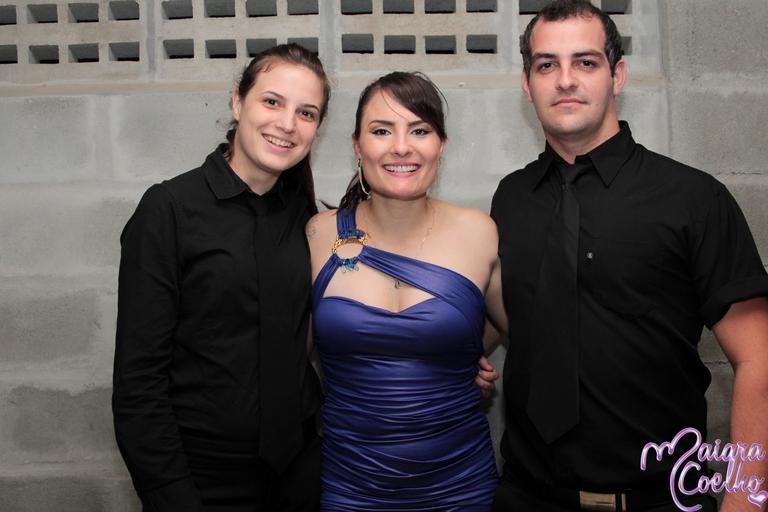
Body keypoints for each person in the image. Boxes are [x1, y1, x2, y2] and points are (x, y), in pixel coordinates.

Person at [490, 1, 768, 511]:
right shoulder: (511, 198)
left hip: (660, 500)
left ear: (616, 75)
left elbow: (759, 359)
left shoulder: (693, 198)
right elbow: (520, 312)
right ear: (527, 84)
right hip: (527, 496)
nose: (565, 79)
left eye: (586, 62)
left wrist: (746, 502)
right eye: (546, 64)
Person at [113, 44, 332, 512]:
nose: (287, 123)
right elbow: (138, 380)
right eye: (272, 101)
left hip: (301, 470)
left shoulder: (305, 216)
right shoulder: (170, 210)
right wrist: (170, 492)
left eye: (306, 112)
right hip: (203, 478)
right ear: (237, 102)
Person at [306, 71, 507, 511]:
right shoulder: (318, 235)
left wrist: (460, 351)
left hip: (460, 486)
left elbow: (522, 330)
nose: (401, 147)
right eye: (382, 131)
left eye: (420, 130)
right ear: (357, 145)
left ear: (442, 144)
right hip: (351, 487)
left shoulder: (479, 232)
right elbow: (287, 356)